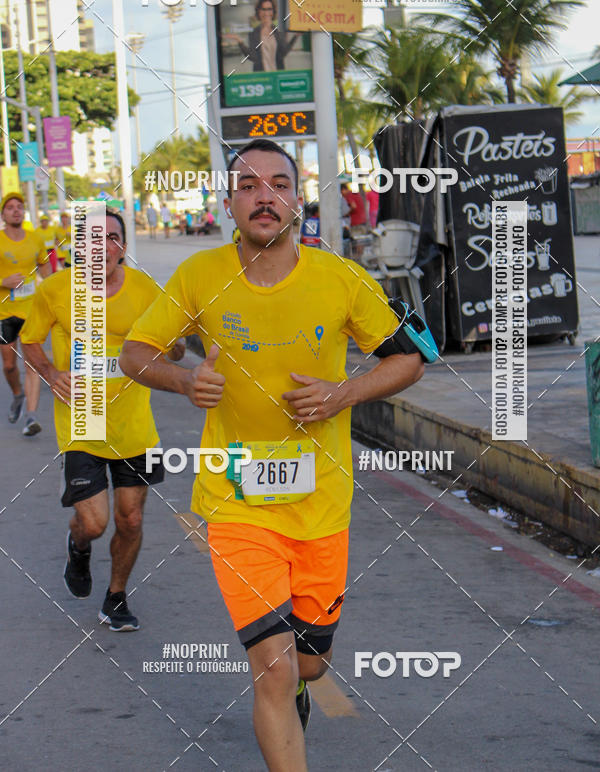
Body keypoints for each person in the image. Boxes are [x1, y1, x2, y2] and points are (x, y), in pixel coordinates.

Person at [120, 138, 424, 770]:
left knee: (310, 661)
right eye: (249, 185)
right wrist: (182, 380)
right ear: (229, 202)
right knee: (275, 670)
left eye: (278, 183)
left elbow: (408, 357)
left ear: (298, 199)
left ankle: (301, 690)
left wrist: (343, 393)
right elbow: (136, 351)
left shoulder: (339, 277)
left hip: (321, 505)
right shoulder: (199, 275)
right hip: (236, 503)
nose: (265, 196)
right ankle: (285, 703)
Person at [21, 209, 185, 631]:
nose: (102, 247)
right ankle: (78, 547)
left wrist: (179, 348)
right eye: (93, 240)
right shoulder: (57, 289)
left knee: (130, 518)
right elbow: (30, 339)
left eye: (111, 238)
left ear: (122, 248)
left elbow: (172, 345)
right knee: (94, 524)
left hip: (135, 425)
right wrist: (52, 374)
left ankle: (115, 597)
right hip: (83, 421)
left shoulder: (146, 290)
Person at [0, 192, 51, 435]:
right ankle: (18, 394)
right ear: (3, 214)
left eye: (19, 206)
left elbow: (45, 267)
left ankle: (31, 417)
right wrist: (3, 281)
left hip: (32, 311)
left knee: (32, 363)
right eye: (10, 207)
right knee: (9, 365)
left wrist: (55, 287)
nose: (16, 210)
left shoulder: (35, 239)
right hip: (4, 313)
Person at [224, 0, 298, 72]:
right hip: (261, 76)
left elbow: (283, 53)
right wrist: (239, 41)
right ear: (258, 11)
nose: (266, 13)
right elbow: (253, 57)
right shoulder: (254, 33)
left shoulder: (278, 32)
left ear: (273, 11)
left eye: (269, 9)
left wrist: (295, 37)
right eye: (263, 9)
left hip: (277, 75)